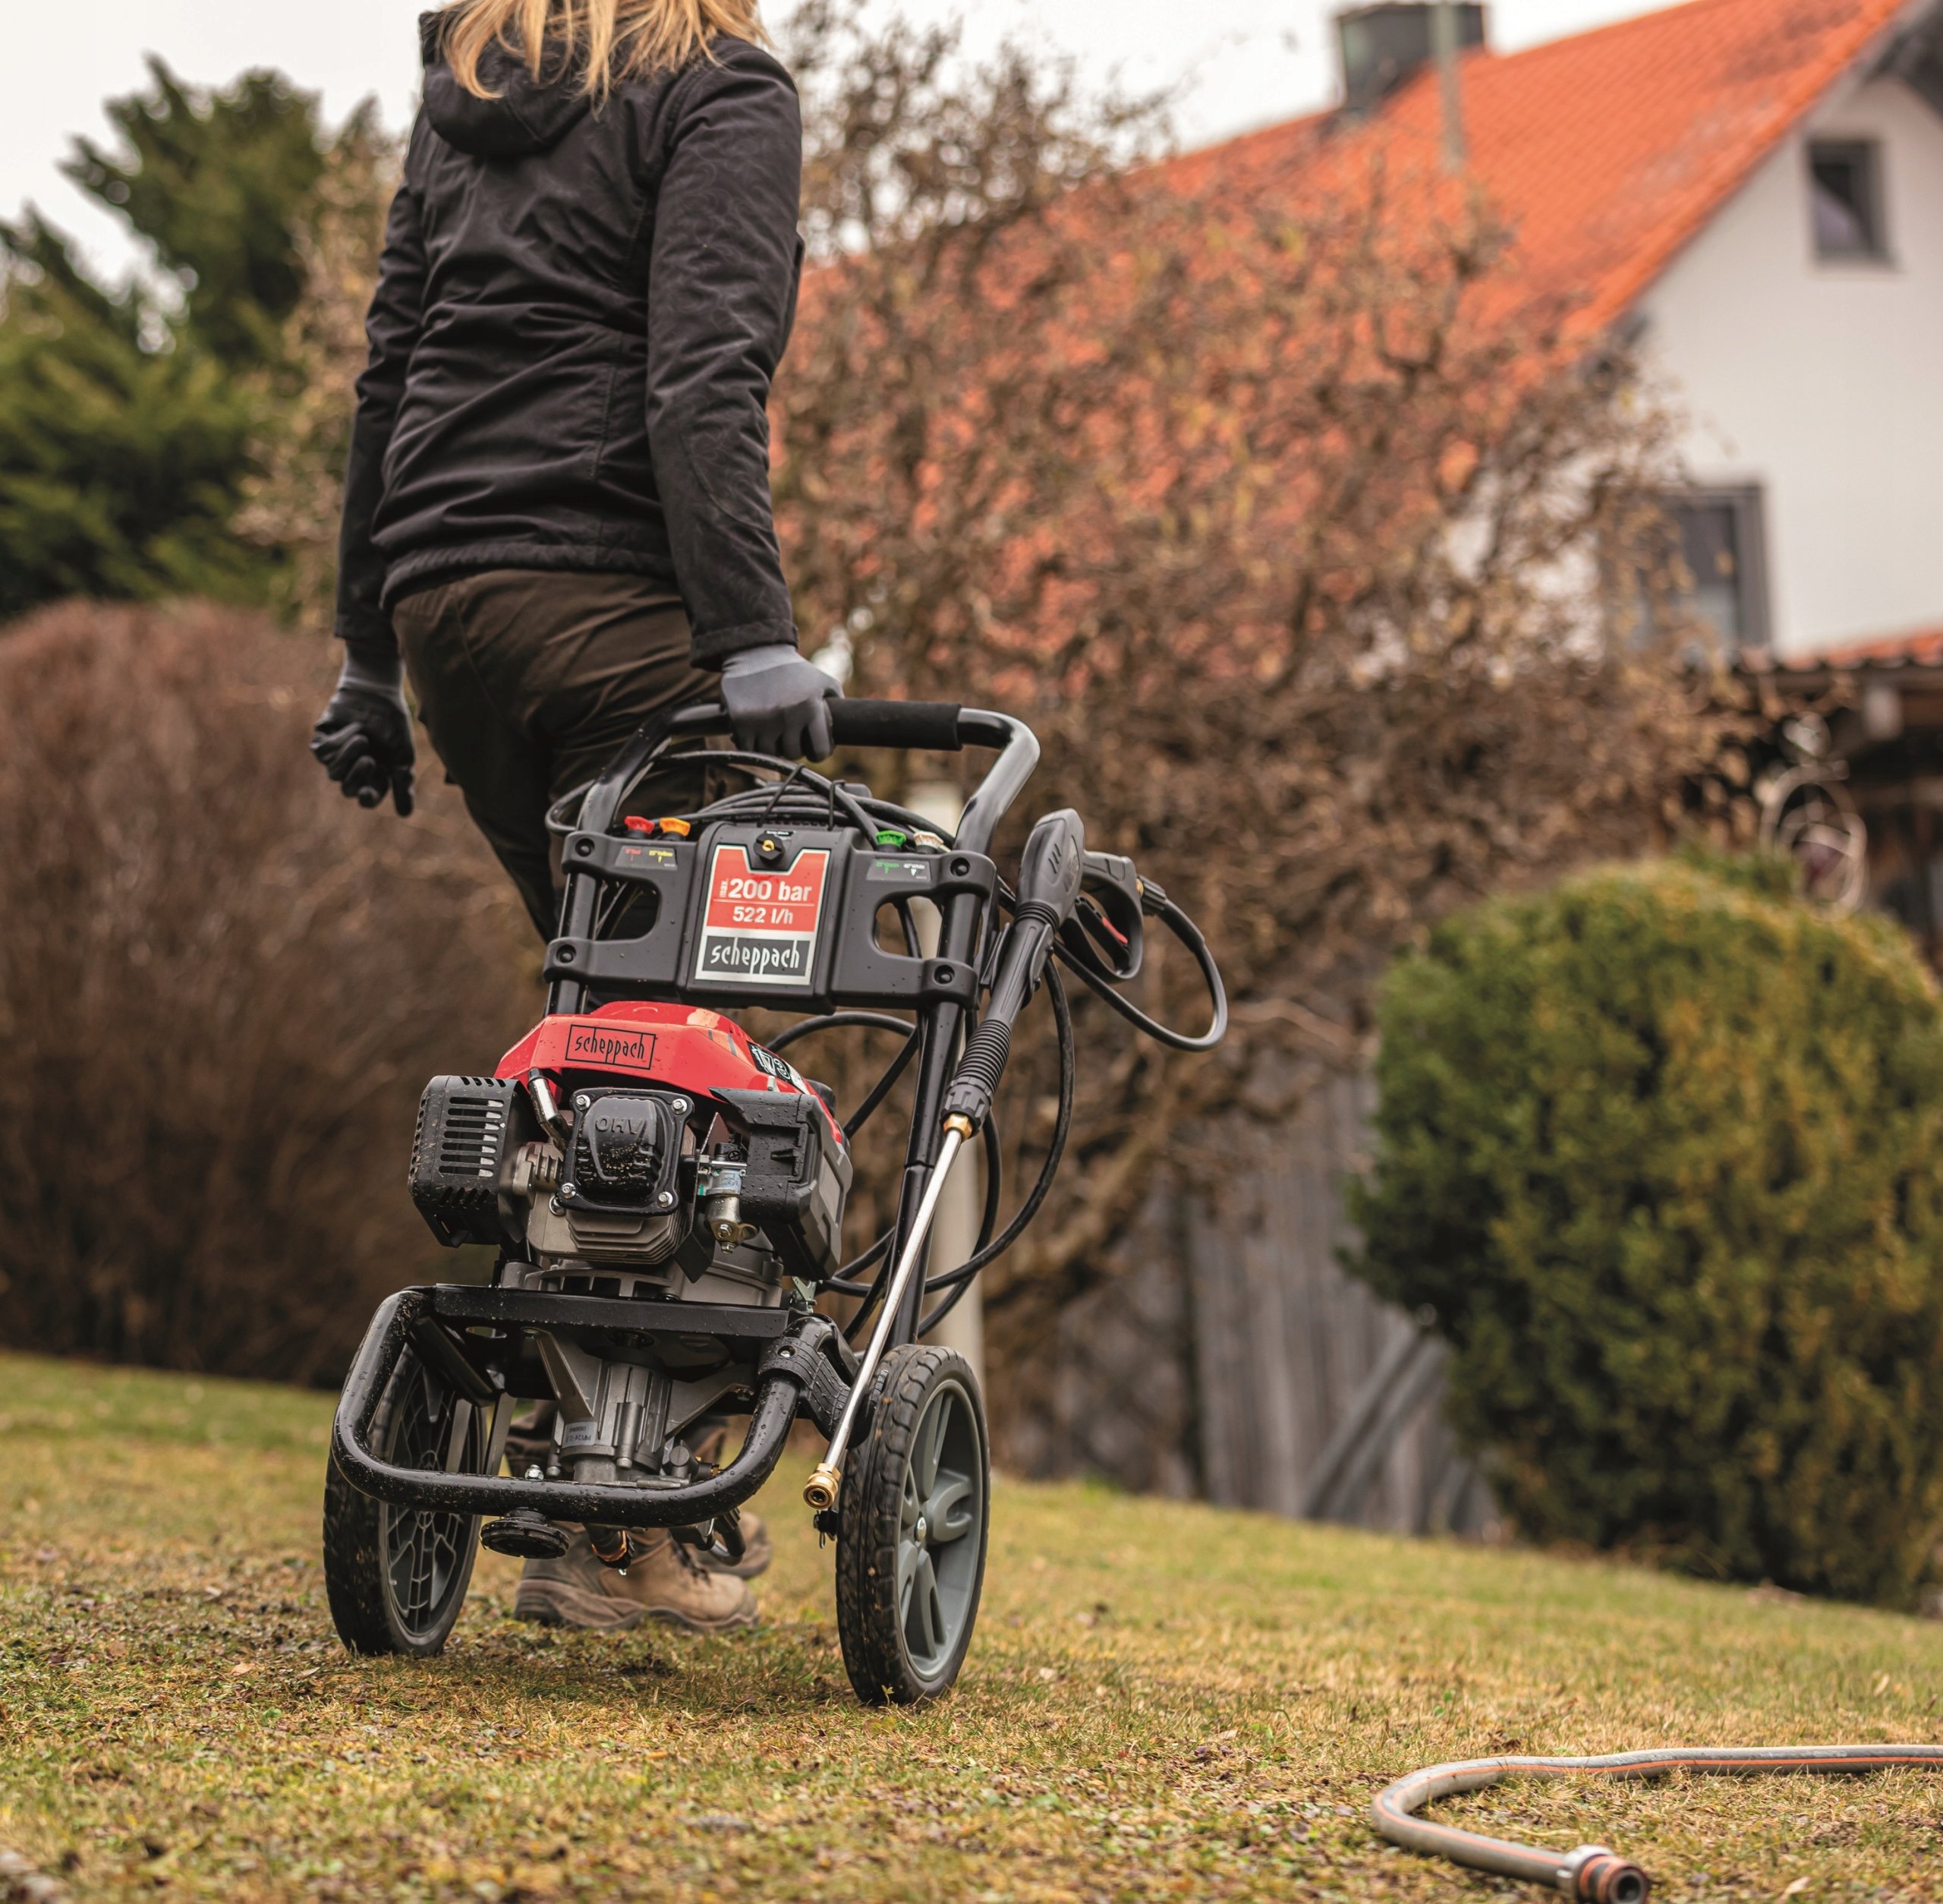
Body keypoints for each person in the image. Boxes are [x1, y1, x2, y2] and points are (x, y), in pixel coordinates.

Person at [313, 0, 841, 1631]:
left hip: (450, 607)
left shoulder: (464, 96)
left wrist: (365, 657)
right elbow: (703, 369)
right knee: (698, 1042)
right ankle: (625, 1526)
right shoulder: (719, 84)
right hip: (615, 605)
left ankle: (596, 1462)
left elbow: (387, 379)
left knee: (612, 1021)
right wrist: (749, 630)